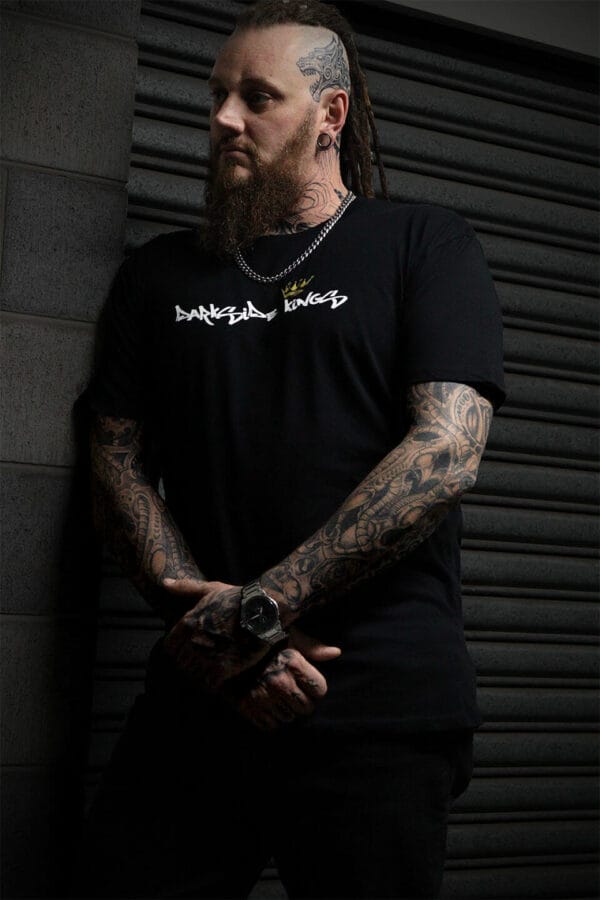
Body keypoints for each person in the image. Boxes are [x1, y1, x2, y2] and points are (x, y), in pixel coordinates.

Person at [75, 1, 505, 897]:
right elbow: (115, 464)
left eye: (257, 96)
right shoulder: (160, 275)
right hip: (200, 692)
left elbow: (446, 452)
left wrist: (258, 611)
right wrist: (227, 646)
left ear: (331, 116)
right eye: (217, 95)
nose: (223, 118)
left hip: (377, 703)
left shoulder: (421, 244)